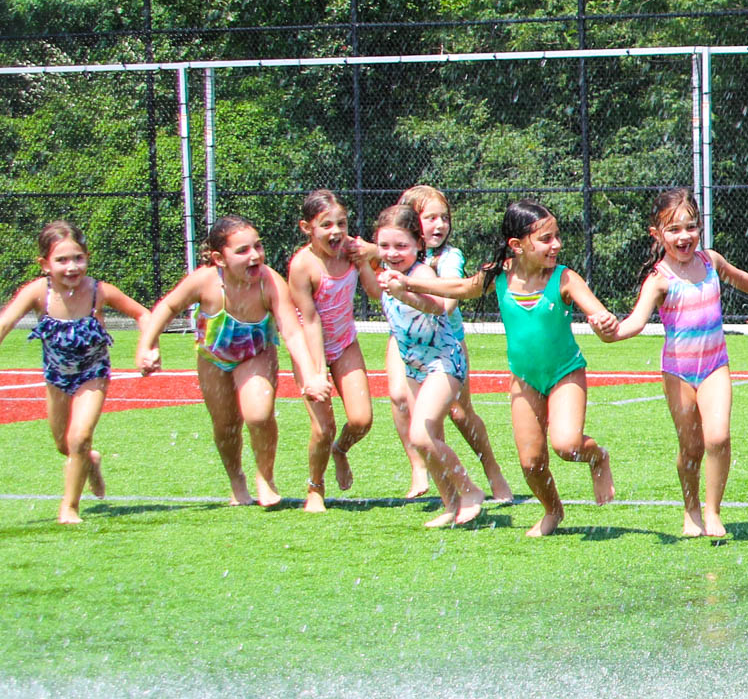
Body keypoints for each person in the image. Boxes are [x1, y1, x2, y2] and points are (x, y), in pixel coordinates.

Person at [387, 198, 619, 537]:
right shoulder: (498, 275)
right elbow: (458, 288)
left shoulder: (565, 278)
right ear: (517, 245)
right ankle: (553, 510)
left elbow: (597, 313)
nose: (555, 245)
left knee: (567, 445)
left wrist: (604, 321)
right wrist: (409, 284)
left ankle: (598, 457)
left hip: (564, 372)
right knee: (531, 463)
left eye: (556, 236)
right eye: (545, 239)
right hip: (524, 379)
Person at [613, 189, 748, 539]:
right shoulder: (659, 279)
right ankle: (691, 510)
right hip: (678, 372)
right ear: (657, 235)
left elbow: (739, 277)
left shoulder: (710, 261)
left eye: (691, 227)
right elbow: (635, 323)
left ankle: (713, 511)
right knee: (691, 447)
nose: (684, 236)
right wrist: (609, 331)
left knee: (717, 437)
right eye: (673, 230)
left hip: (715, 365)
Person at [137, 217, 330, 508]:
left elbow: (291, 331)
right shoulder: (205, 280)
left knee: (258, 415)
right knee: (225, 425)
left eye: (258, 246)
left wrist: (312, 375)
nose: (254, 255)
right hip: (213, 358)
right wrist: (147, 344)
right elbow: (169, 305)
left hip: (257, 354)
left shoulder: (269, 282)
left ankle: (265, 476)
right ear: (219, 258)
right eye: (242, 251)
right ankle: (236, 479)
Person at [0, 222, 148, 523]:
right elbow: (5, 323)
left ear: (87, 257)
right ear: (45, 264)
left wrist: (146, 348)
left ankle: (69, 507)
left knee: (79, 438)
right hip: (56, 377)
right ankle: (90, 462)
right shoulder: (37, 293)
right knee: (63, 444)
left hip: (93, 374)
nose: (72, 267)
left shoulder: (98, 292)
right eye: (62, 260)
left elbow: (143, 314)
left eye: (78, 258)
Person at [388, 184, 511, 504]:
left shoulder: (449, 256)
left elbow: (450, 299)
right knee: (403, 400)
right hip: (407, 337)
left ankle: (492, 470)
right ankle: (424, 470)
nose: (440, 225)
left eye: (444, 218)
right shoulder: (396, 248)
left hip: (446, 340)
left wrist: (412, 288)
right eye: (430, 218)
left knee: (459, 412)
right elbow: (369, 250)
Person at [373, 204, 487, 527]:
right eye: (385, 246)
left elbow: (439, 308)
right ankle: (450, 504)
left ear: (418, 246)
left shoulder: (420, 274)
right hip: (416, 366)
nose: (392, 253)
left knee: (421, 435)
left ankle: (470, 491)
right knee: (428, 441)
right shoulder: (385, 271)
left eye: (401, 246)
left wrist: (404, 292)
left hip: (444, 363)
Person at [284, 189, 383, 512]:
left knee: (362, 420)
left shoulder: (351, 252)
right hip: (311, 346)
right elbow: (309, 320)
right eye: (326, 225)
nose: (336, 231)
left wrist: (368, 256)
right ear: (306, 228)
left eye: (341, 223)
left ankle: (341, 451)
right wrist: (315, 371)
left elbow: (373, 291)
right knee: (322, 427)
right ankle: (315, 487)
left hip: (344, 343)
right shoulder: (303, 266)